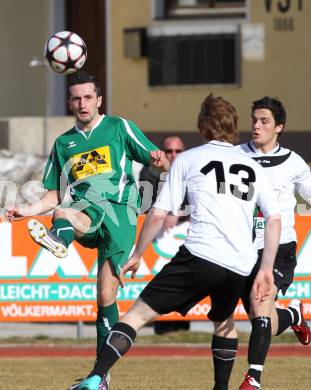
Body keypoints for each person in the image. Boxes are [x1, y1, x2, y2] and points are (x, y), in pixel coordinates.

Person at [69, 93, 281, 390]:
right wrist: (266, 268)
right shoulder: (253, 167)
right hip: (239, 264)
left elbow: (158, 213)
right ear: (234, 127)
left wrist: (138, 253)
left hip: (200, 256)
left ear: (202, 126)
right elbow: (274, 219)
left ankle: (97, 378)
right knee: (224, 323)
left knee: (137, 314)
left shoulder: (188, 159)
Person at [5, 71, 169, 389]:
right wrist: (25, 210)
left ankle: (100, 376)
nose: (82, 103)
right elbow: (53, 192)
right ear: (70, 102)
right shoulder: (64, 142)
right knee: (63, 209)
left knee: (105, 295)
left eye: (87, 97)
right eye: (76, 98)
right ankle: (59, 239)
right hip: (86, 213)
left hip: (120, 216)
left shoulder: (118, 127)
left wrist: (159, 160)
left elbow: (154, 159)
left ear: (99, 100)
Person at [212, 96, 311, 390]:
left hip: (279, 249)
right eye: (254, 120)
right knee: (260, 316)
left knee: (260, 305)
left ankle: (253, 378)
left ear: (279, 127)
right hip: (242, 248)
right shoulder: (235, 156)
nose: (257, 126)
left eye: (265, 121)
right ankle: (294, 314)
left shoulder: (293, 162)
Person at [139, 135, 190, 333]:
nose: (174, 155)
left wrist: (177, 212)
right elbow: (147, 203)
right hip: (158, 242)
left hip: (186, 238)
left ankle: (182, 326)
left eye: (178, 151)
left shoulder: (193, 168)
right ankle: (161, 326)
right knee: (161, 283)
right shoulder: (150, 172)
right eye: (169, 151)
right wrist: (169, 211)